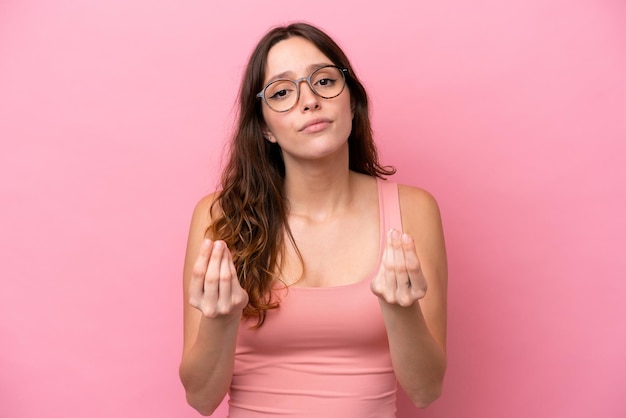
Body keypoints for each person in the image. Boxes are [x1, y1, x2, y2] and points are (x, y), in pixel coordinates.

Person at [179, 22, 447, 417]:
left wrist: (401, 311)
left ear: (351, 102)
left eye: (323, 81)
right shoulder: (219, 218)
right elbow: (201, 399)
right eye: (283, 92)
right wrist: (221, 319)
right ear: (266, 128)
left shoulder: (414, 211)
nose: (309, 101)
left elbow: (426, 390)